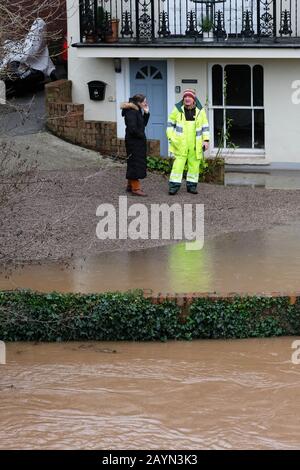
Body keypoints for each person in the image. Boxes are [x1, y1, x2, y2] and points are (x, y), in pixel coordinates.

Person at [166, 89, 210, 195]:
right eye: (185, 97)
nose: (187, 99)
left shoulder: (200, 111)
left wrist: (206, 140)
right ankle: (173, 187)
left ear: (193, 99)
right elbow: (170, 125)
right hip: (180, 143)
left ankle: (192, 186)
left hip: (196, 143)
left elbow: (205, 127)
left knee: (194, 165)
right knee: (178, 165)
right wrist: (172, 138)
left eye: (189, 97)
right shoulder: (177, 109)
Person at [121, 94, 150, 196]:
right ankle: (135, 188)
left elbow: (142, 125)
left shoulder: (137, 111)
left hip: (137, 142)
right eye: (144, 102)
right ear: (138, 102)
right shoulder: (131, 112)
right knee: (135, 163)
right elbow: (132, 129)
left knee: (134, 162)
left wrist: (146, 113)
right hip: (134, 142)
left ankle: (130, 185)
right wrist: (141, 135)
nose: (146, 103)